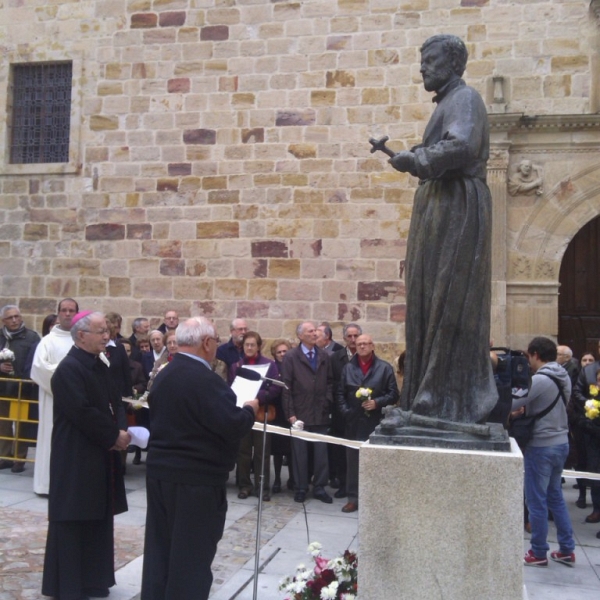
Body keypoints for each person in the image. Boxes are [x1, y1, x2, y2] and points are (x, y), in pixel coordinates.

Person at [388, 34, 497, 424]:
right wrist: (416, 155)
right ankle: (420, 395)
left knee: (447, 300)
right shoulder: (449, 103)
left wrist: (418, 161)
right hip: (439, 204)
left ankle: (440, 400)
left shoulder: (465, 99)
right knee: (426, 300)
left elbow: (462, 146)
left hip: (456, 206)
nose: (423, 67)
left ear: (453, 64)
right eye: (422, 60)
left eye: (430, 60)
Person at [141, 317, 258, 600]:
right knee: (191, 558)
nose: (217, 345)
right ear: (206, 343)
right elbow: (231, 425)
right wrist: (249, 410)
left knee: (161, 552)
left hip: (161, 476)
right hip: (196, 481)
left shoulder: (165, 373)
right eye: (216, 339)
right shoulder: (205, 380)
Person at [42, 311, 130, 599]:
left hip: (99, 453)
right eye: (100, 331)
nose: (107, 336)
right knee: (74, 517)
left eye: (107, 330)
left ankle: (94, 578)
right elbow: (82, 412)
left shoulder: (98, 364)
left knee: (97, 515)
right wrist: (112, 435)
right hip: (76, 456)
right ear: (81, 335)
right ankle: (69, 585)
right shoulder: (69, 369)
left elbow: (113, 401)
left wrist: (120, 428)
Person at [511, 336, 575, 568]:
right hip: (561, 442)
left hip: (542, 444)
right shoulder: (562, 375)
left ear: (536, 354)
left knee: (536, 501)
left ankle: (538, 552)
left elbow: (511, 402)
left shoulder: (540, 380)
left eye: (529, 356)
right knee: (555, 497)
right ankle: (567, 549)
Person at [336, 334, 399, 512]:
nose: (362, 346)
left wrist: (377, 402)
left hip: (375, 423)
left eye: (366, 343)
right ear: (355, 347)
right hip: (353, 423)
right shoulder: (348, 368)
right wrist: (347, 412)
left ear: (372, 346)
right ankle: (353, 498)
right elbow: (340, 394)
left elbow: (394, 394)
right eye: (359, 344)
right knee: (353, 462)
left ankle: (375, 499)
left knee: (375, 462)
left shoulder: (384, 368)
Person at [282, 321, 333, 504]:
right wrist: (290, 414)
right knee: (299, 453)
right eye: (310, 331)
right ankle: (300, 487)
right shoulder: (291, 357)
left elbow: (329, 382)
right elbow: (286, 387)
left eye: (316, 331)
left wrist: (327, 401)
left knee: (321, 453)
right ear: (301, 335)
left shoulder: (324, 355)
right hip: (300, 412)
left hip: (320, 411)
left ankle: (319, 487)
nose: (314, 334)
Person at [30, 297, 78, 495]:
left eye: (71, 310)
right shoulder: (47, 341)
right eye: (64, 310)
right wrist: (69, 380)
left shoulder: (81, 339)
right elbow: (39, 369)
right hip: (54, 400)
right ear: (58, 313)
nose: (67, 314)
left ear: (77, 313)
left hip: (78, 402)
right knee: (52, 439)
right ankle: (47, 485)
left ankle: (71, 484)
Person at [229, 331, 280, 501]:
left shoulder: (269, 365)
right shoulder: (236, 366)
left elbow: (274, 388)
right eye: (246, 345)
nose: (249, 348)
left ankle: (262, 487)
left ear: (259, 346)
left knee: (262, 452)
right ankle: (244, 485)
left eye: (252, 345)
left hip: (260, 413)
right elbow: (231, 387)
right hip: (242, 413)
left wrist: (258, 399)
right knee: (243, 452)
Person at [0, 305, 41, 472]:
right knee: (3, 423)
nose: (15, 320)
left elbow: (34, 360)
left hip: (21, 387)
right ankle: (5, 456)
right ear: (3, 321)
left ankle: (19, 458)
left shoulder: (31, 337)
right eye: (10, 317)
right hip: (2, 387)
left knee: (21, 423)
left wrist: (25, 377)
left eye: (17, 316)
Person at [329, 323, 363, 499]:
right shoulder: (336, 358)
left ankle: (358, 486)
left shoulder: (367, 357)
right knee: (341, 451)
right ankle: (343, 484)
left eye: (356, 336)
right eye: (349, 336)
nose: (353, 339)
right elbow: (331, 383)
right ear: (344, 338)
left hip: (362, 413)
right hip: (341, 411)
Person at [269, 338, 293, 494]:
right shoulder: (273, 369)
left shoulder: (294, 366)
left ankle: (292, 479)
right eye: (279, 352)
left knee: (291, 449)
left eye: (285, 351)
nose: (282, 354)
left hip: (291, 412)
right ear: (274, 354)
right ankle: (277, 478)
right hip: (277, 412)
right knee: (277, 450)